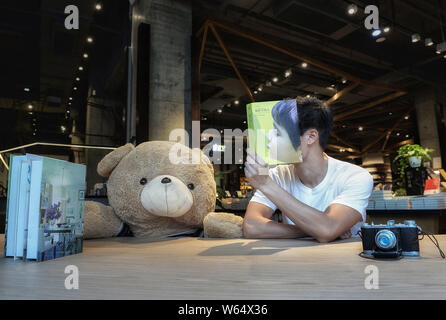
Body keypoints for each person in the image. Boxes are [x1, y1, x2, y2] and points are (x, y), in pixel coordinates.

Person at [243, 97, 373, 243]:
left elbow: (327, 229)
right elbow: (251, 226)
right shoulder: (277, 175)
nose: (268, 137)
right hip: (294, 263)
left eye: (277, 132)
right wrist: (314, 229)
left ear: (310, 137)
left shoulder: (355, 176)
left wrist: (266, 185)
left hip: (345, 262)